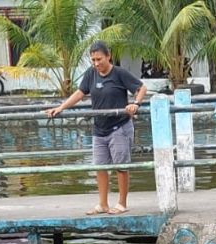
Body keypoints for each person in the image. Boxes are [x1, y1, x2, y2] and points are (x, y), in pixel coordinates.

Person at [46, 41, 147, 215]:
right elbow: (80, 93)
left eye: (99, 59)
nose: (96, 63)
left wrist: (135, 104)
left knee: (121, 166)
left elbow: (141, 88)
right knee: (99, 167)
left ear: (108, 56)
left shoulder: (119, 73)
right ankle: (103, 204)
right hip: (99, 128)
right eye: (93, 60)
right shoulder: (91, 74)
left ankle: (122, 203)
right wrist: (61, 107)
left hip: (119, 127)